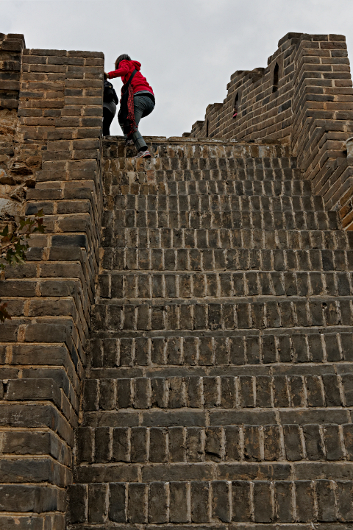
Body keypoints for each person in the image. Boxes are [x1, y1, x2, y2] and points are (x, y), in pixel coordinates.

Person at [105, 54, 155, 158]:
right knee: (122, 116)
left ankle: (143, 150)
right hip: (149, 100)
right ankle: (130, 138)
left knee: (131, 124)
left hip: (139, 96)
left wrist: (108, 75)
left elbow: (124, 70)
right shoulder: (134, 70)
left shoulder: (125, 62)